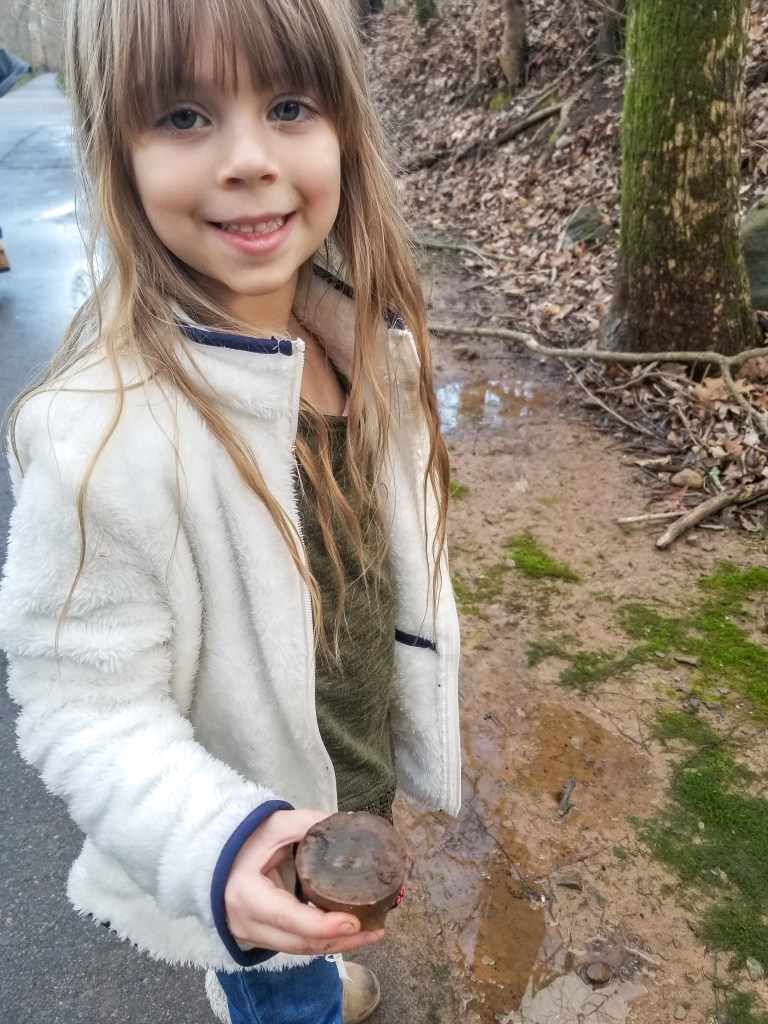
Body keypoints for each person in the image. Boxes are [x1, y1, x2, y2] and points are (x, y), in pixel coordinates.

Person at [0, 0, 461, 1022]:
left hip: (348, 777)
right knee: (278, 983)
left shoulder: (359, 337)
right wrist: (218, 846)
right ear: (113, 147)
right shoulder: (101, 436)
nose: (249, 158)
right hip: (243, 829)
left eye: (289, 104)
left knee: (318, 943)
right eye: (182, 115)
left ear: (345, 125)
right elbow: (83, 705)